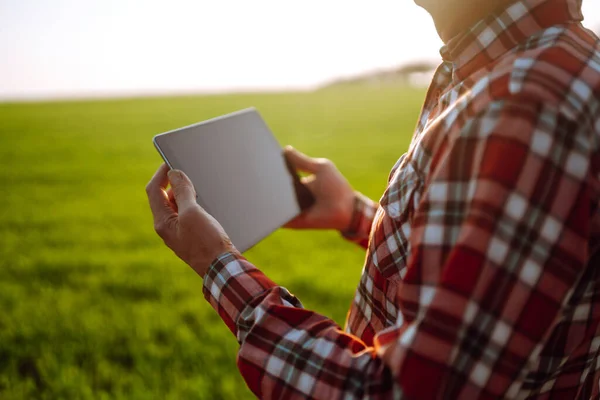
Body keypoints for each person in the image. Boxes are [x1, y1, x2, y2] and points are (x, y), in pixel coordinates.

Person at [146, 0, 600, 397]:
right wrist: (357, 215)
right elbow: (502, 268)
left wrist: (220, 267)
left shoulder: (523, 105)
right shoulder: (554, 63)